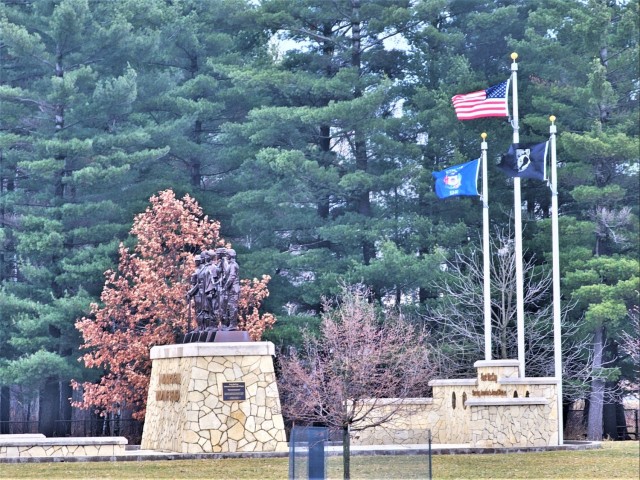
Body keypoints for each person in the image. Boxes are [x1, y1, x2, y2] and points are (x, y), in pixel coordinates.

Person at [223, 249, 240, 330]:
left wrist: (225, 287)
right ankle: (230, 324)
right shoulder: (230, 265)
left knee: (232, 306)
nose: (226, 256)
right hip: (231, 288)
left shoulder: (233, 265)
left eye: (227, 255)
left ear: (230, 255)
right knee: (229, 306)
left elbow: (231, 277)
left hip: (233, 289)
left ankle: (233, 325)